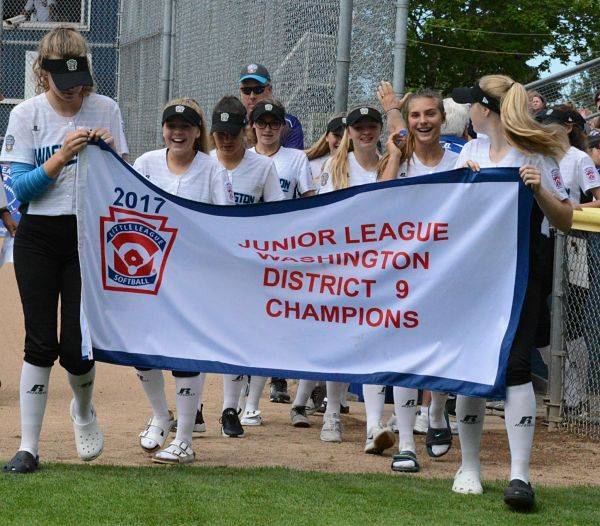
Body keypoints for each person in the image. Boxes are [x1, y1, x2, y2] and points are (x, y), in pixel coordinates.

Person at [0, 27, 128, 474]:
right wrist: (60, 158)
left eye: (80, 82)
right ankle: (29, 447)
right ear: (44, 74)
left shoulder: (106, 108)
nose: (75, 92)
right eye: (64, 84)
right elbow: (19, 188)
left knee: (76, 347)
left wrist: (110, 155)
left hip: (86, 235)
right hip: (38, 235)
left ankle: (83, 410)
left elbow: (121, 184)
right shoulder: (27, 114)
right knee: (40, 342)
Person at [451, 75, 572, 511]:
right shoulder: (470, 151)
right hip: (475, 277)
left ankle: (520, 474)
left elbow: (564, 220)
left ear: (486, 109)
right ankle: (469, 466)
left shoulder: (538, 155)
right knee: (472, 365)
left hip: (522, 274)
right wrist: (462, 184)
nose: (467, 111)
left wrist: (539, 188)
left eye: (472, 104)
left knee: (518, 366)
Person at [132, 98, 233, 464]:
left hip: (193, 278)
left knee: (185, 355)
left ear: (197, 132)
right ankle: (161, 416)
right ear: (163, 129)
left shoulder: (211, 170)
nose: (178, 132)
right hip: (148, 273)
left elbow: (224, 221)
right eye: (172, 125)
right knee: (142, 351)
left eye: (186, 126)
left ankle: (186, 438)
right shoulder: (145, 164)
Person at [378, 89, 459, 472]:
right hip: (405, 271)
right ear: (407, 121)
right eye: (415, 116)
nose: (422, 122)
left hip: (447, 272)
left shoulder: (461, 162)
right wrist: (394, 154)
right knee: (405, 354)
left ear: (443, 118)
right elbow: (381, 202)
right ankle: (406, 443)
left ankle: (439, 413)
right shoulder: (400, 159)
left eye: (430, 114)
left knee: (443, 350)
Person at [209, 95, 284, 436]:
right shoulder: (205, 164)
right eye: (220, 132)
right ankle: (193, 408)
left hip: (246, 268)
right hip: (207, 266)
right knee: (198, 336)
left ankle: (229, 408)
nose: (226, 139)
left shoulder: (262, 167)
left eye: (232, 132)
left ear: (245, 132)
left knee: (235, 339)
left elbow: (277, 216)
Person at [237, 99, 315, 425]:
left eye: (274, 122)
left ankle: (252, 403)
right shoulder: (240, 156)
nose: (268, 128)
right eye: (262, 122)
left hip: (281, 254)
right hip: (241, 252)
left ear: (283, 126)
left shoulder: (297, 159)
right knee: (239, 329)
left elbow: (312, 203)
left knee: (265, 328)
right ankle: (236, 401)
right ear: (252, 126)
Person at [317, 105, 388, 447]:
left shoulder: (391, 164)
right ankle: (332, 412)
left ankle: (374, 422)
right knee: (341, 340)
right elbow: (323, 216)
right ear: (349, 131)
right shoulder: (335, 167)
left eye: (372, 126)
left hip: (382, 264)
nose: (365, 132)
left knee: (374, 339)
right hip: (343, 264)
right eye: (359, 127)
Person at [238, 63, 304, 150]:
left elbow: (293, 160)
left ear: (269, 90)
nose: (252, 96)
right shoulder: (234, 124)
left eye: (258, 90)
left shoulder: (289, 124)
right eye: (246, 90)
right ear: (240, 92)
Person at [305, 114, 346, 189]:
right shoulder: (310, 166)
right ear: (327, 137)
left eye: (345, 137)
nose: (341, 141)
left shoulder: (357, 164)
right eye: (336, 135)